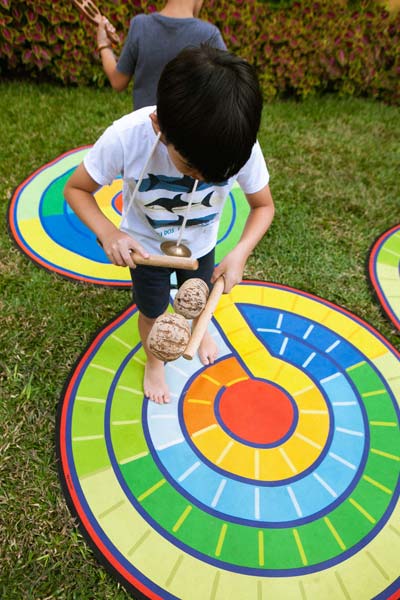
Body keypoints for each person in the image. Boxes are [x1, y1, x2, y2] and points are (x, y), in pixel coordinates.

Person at [64, 45, 275, 405]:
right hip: (145, 249)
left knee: (197, 301)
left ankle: (197, 329)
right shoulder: (127, 136)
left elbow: (264, 206)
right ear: (159, 126)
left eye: (217, 177)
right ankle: (154, 361)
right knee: (152, 311)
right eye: (193, 170)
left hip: (201, 244)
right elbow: (76, 189)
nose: (206, 180)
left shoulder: (235, 145)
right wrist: (110, 232)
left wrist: (239, 252)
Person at [97, 0, 226, 109]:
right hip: (186, 136)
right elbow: (230, 88)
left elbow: (117, 81)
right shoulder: (209, 34)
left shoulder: (140, 26)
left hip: (145, 133)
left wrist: (104, 45)